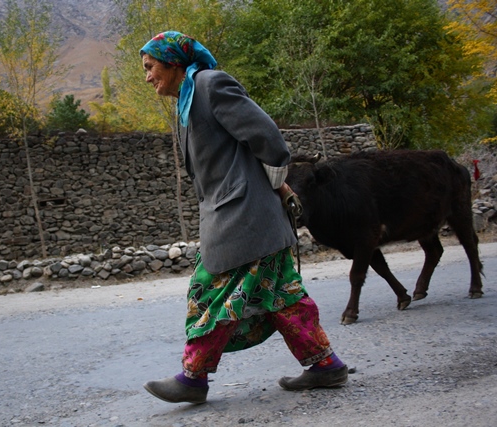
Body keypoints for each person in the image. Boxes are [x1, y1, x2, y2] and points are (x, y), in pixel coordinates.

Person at [140, 31, 348, 404]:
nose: (147, 77)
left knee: (210, 292)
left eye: (150, 67)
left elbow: (266, 136)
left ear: (173, 63)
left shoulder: (208, 84)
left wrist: (276, 180)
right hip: (242, 217)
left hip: (243, 217)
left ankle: (194, 377)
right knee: (283, 296)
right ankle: (324, 365)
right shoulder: (187, 100)